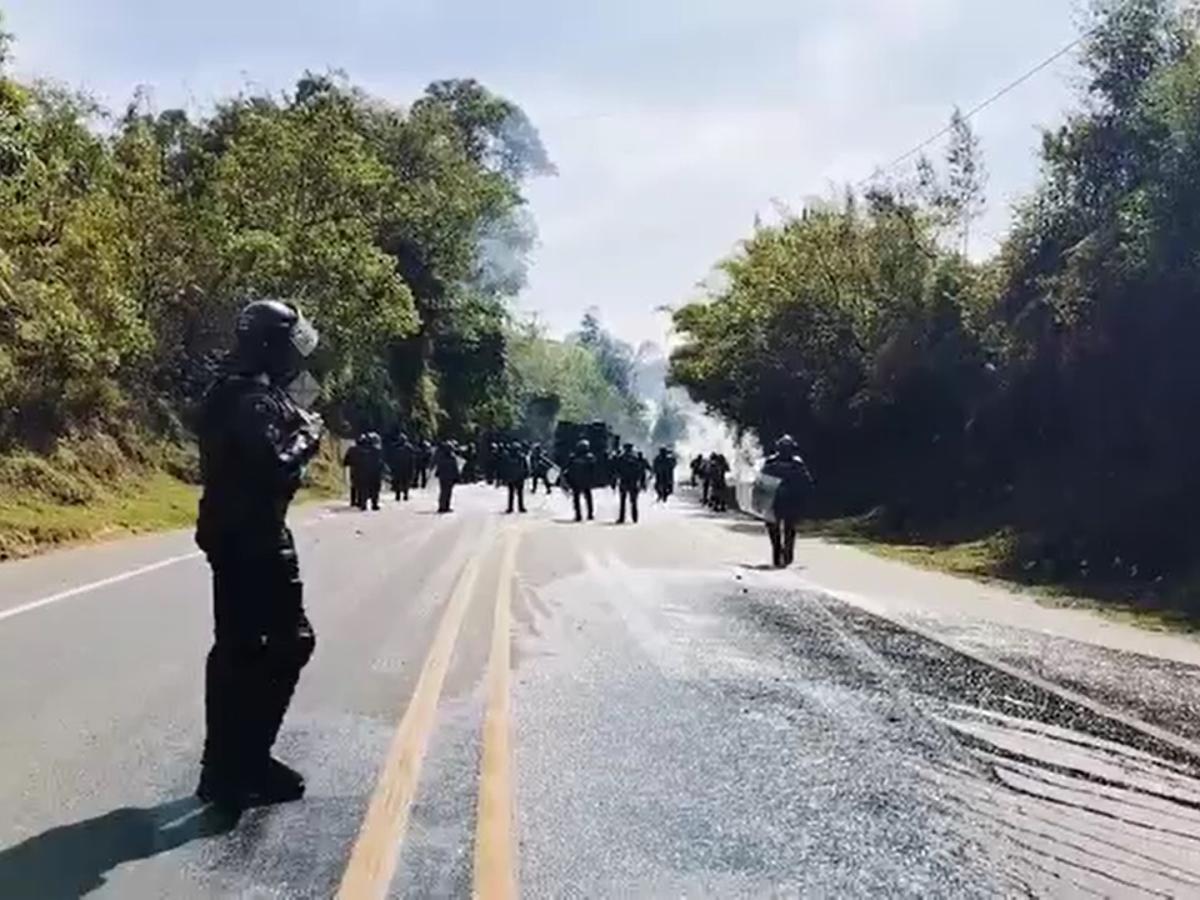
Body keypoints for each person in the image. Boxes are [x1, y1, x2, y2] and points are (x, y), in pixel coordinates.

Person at [194, 299, 322, 808]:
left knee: (239, 646)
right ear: (268, 346)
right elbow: (276, 467)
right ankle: (245, 761)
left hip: (231, 530)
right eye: (288, 344)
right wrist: (308, 437)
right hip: (255, 535)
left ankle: (225, 767)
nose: (295, 355)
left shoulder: (232, 391)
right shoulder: (249, 399)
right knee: (290, 642)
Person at [760, 435, 815, 568]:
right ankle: (782, 553)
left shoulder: (789, 463)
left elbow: (806, 482)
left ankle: (782, 553)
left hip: (786, 501)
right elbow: (808, 482)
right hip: (782, 501)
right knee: (783, 529)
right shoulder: (793, 463)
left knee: (784, 529)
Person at [615, 443, 649, 524]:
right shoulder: (637, 457)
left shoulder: (621, 457)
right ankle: (635, 517)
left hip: (624, 481)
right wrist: (642, 482)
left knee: (623, 501)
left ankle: (622, 518)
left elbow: (616, 469)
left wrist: (615, 480)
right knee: (633, 501)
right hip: (633, 481)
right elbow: (642, 470)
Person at [566, 439, 596, 522]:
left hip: (578, 481)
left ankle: (582, 514)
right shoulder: (589, 457)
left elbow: (568, 469)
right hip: (583, 481)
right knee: (586, 498)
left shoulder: (574, 457)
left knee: (578, 499)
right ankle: (587, 514)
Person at [501, 443, 529, 513]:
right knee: (518, 493)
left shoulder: (509, 457)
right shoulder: (521, 457)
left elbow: (504, 468)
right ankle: (519, 507)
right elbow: (526, 467)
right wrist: (526, 474)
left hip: (514, 477)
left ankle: (512, 508)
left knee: (512, 493)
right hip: (518, 477)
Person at [433, 440, 460, 513]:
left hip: (443, 477)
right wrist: (457, 477)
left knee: (444, 492)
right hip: (448, 477)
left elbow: (438, 466)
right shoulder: (452, 457)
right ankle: (444, 506)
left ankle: (443, 506)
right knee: (447, 492)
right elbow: (455, 468)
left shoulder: (442, 457)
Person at [359, 432, 384, 511]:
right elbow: (380, 462)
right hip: (374, 473)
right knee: (374, 489)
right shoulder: (376, 450)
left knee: (365, 488)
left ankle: (364, 504)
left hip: (365, 472)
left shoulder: (362, 450)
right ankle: (374, 504)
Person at [387, 434, 415, 502]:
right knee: (403, 482)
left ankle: (401, 495)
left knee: (401, 482)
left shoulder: (404, 447)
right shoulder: (408, 447)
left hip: (402, 467)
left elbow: (412, 458)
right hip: (402, 467)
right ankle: (401, 495)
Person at [343, 435, 366, 508]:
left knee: (354, 485)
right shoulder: (367, 449)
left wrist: (346, 463)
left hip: (354, 469)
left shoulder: (352, 449)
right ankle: (360, 501)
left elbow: (346, 460)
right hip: (364, 469)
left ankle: (353, 501)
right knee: (362, 485)